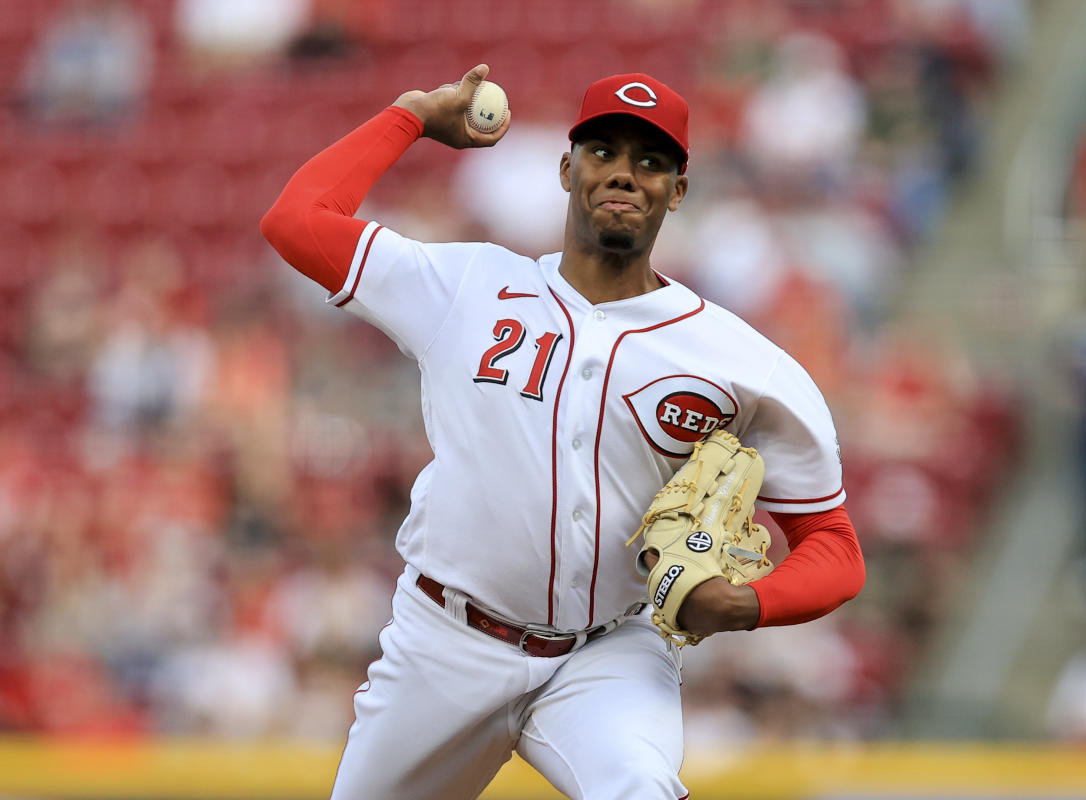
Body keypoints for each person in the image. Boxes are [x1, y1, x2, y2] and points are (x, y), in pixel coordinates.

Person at [261, 64, 865, 800]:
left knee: (638, 787)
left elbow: (833, 544)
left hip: (607, 652)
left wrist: (746, 605)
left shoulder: (740, 363)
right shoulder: (466, 288)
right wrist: (410, 117)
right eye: (603, 151)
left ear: (678, 190)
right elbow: (296, 221)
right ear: (565, 167)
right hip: (445, 643)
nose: (623, 174)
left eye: (650, 161)